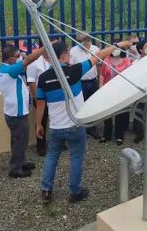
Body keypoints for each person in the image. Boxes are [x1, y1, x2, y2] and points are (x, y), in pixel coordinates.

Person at [36, 38, 137, 204]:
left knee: (52, 157)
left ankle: (46, 190)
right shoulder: (74, 71)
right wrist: (119, 45)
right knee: (76, 157)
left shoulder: (43, 78)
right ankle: (75, 191)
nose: (70, 54)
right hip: (75, 125)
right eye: (68, 52)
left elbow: (40, 105)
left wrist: (38, 124)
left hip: (55, 127)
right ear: (63, 55)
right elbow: (97, 56)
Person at [0, 44, 50, 178]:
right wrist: (45, 47)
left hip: (14, 112)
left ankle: (19, 162)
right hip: (16, 113)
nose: (19, 58)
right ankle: (16, 169)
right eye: (17, 56)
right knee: (20, 139)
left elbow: (25, 59)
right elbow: (30, 59)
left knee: (17, 139)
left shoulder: (6, 67)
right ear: (10, 59)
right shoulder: (10, 71)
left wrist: (22, 56)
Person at [98, 40, 134, 145]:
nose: (116, 50)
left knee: (120, 114)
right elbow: (102, 75)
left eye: (118, 48)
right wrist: (100, 87)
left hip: (121, 92)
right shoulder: (106, 60)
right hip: (107, 91)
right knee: (107, 114)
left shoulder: (127, 61)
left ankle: (119, 135)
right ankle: (106, 135)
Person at [69, 32, 101, 138]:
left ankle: (92, 128)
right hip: (80, 82)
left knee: (93, 105)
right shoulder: (73, 51)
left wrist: (100, 82)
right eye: (77, 41)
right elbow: (71, 67)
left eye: (81, 41)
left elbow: (99, 67)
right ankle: (81, 129)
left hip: (93, 81)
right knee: (80, 107)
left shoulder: (95, 49)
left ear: (87, 40)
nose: (79, 43)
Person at [27, 43, 52, 156]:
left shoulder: (54, 59)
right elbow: (31, 81)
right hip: (41, 97)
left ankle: (58, 142)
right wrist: (37, 98)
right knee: (41, 121)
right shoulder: (35, 62)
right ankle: (40, 146)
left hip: (54, 96)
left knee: (56, 118)